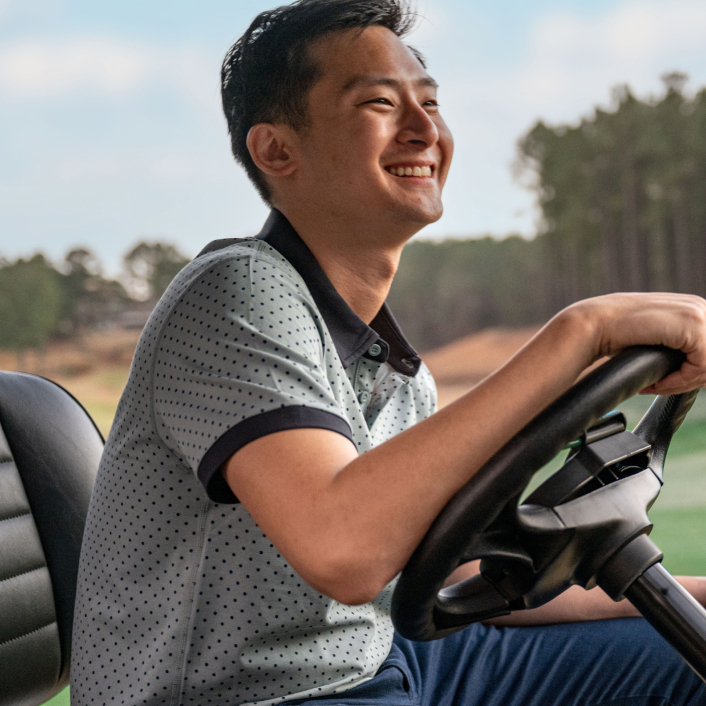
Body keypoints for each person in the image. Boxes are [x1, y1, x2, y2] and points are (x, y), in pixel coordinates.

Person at [71, 1, 706, 704]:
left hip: (384, 661)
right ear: (278, 150)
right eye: (379, 102)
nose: (425, 129)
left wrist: (682, 594)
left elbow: (461, 577)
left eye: (430, 102)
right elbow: (342, 549)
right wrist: (582, 333)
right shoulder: (233, 294)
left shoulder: (396, 374)